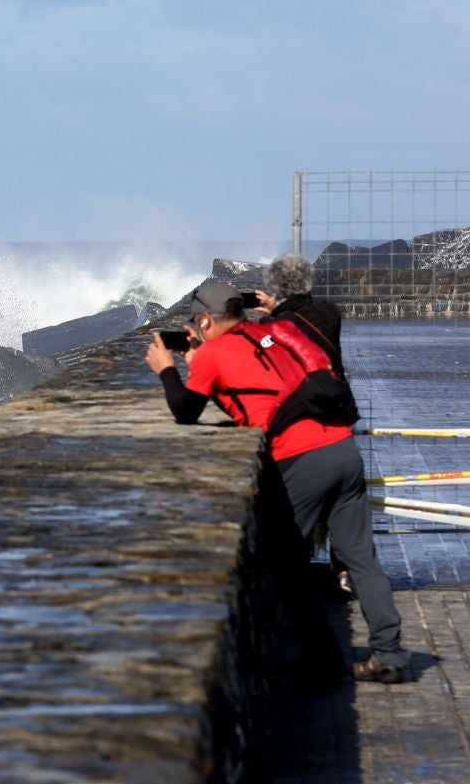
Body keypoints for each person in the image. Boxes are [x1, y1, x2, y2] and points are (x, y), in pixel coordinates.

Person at [145, 282, 409, 684]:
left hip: (302, 458)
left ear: (204, 320)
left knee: (283, 560)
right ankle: (389, 654)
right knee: (362, 560)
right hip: (342, 447)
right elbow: (253, 396)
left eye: (196, 327)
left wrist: (167, 369)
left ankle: (317, 659)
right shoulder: (268, 332)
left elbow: (185, 411)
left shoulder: (212, 353)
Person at [253, 253, 352, 594]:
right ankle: (344, 572)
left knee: (298, 503)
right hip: (337, 418)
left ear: (276, 290)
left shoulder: (271, 326)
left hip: (300, 425)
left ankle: (295, 577)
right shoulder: (329, 314)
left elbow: (269, 346)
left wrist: (272, 313)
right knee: (340, 506)